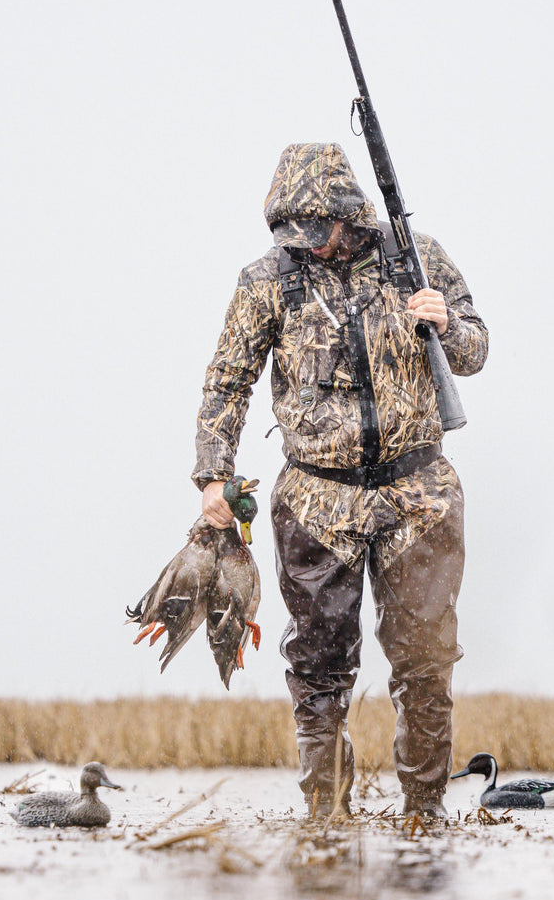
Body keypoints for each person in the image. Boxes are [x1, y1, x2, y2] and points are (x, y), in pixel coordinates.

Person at [193, 142, 488, 820]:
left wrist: (446, 325)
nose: (306, 246)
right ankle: (325, 818)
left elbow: (475, 348)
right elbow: (227, 381)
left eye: (314, 229)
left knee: (425, 662)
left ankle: (424, 812)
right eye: (290, 232)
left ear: (347, 213)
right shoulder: (267, 280)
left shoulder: (416, 254)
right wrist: (214, 476)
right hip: (317, 501)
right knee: (319, 669)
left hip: (419, 495)